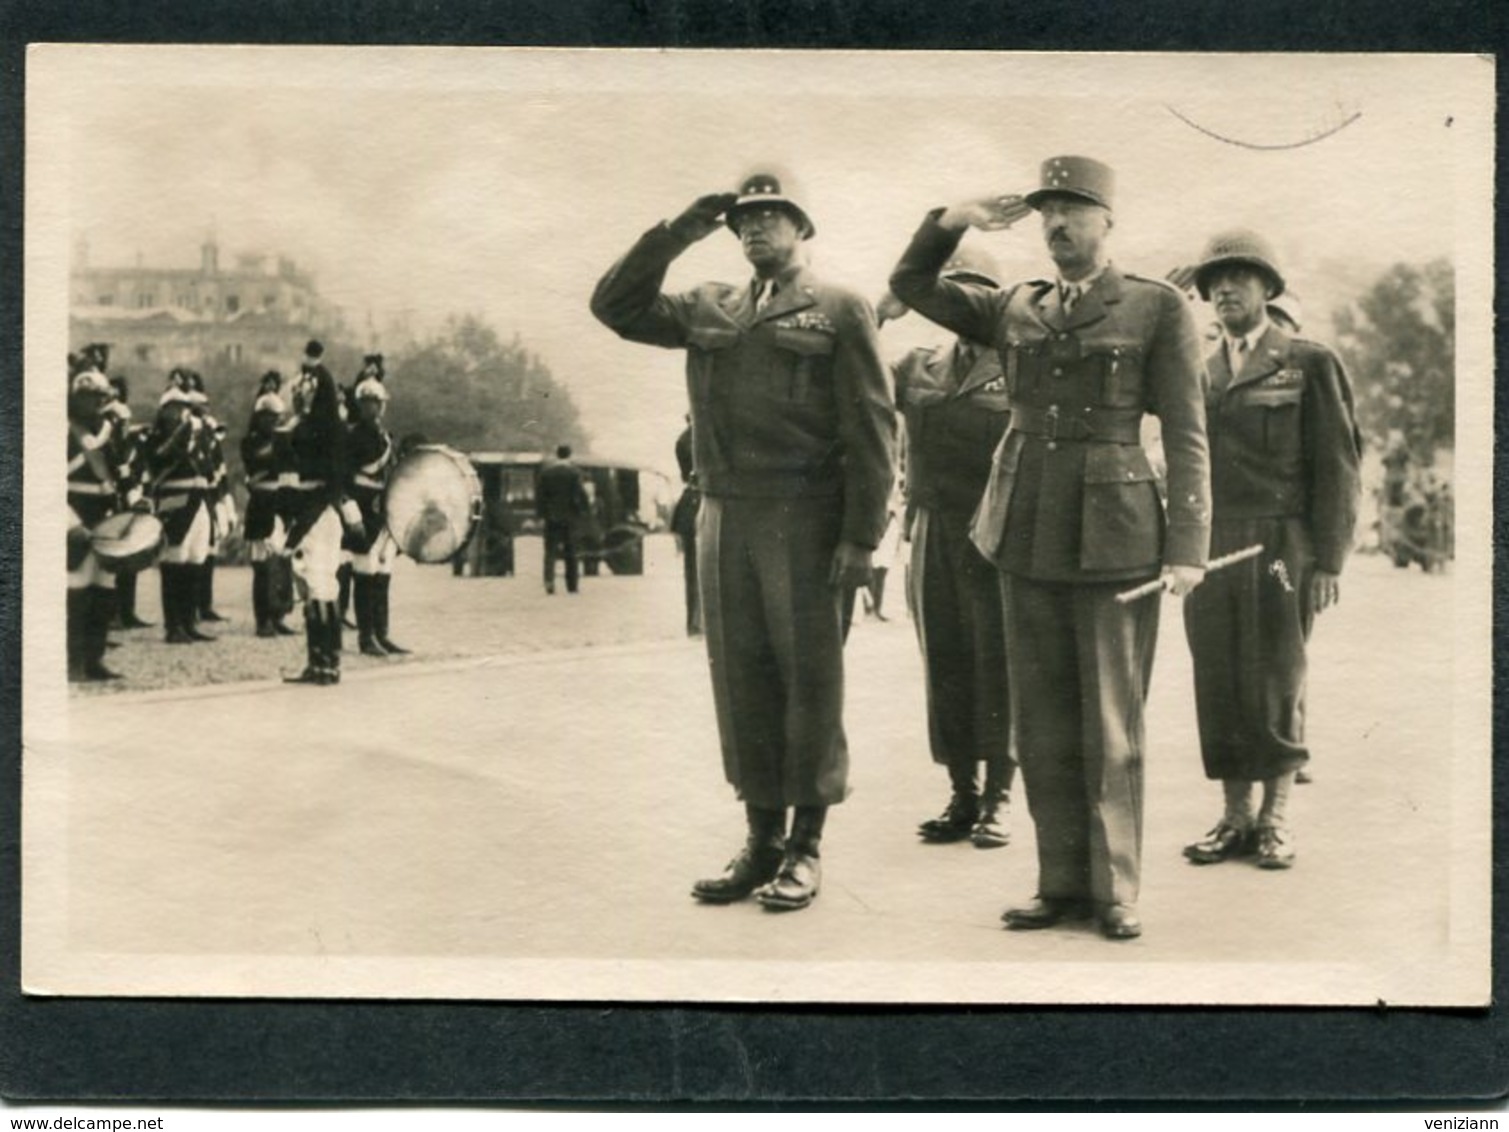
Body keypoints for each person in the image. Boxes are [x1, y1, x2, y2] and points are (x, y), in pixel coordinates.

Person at [889, 155, 1211, 940]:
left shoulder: (1154, 307)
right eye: (1046, 213)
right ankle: (1058, 882)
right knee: (1039, 720)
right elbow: (909, 287)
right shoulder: (1013, 307)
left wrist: (1187, 546)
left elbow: (1187, 430)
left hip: (1116, 534)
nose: (1057, 225)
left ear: (1107, 221)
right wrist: (952, 217)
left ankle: (1115, 890)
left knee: (1108, 723)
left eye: (1073, 209)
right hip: (1022, 527)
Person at [591, 166, 895, 912]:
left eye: (773, 216)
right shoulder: (709, 305)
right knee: (743, 683)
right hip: (723, 515)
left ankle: (806, 845)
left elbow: (874, 429)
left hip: (806, 517)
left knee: (808, 683)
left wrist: (860, 539)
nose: (755, 228)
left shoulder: (840, 307)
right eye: (744, 220)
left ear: (802, 228)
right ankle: (760, 840)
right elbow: (614, 306)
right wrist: (679, 231)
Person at [1180, 230, 1361, 870]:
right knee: (1220, 677)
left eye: (1239, 277)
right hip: (1212, 544)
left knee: (1278, 674)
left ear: (1268, 288)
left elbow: (1338, 466)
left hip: (1283, 545)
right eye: (1213, 282)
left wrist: (1329, 560)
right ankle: (1234, 818)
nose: (1224, 290)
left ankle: (1275, 819)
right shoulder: (1197, 371)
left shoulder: (1308, 361)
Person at [876, 243, 1017, 850]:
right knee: (946, 661)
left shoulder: (1021, 365)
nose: (959, 305)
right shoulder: (916, 364)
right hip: (933, 528)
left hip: (998, 532)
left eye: (975, 294)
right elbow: (855, 381)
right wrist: (880, 314)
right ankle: (961, 791)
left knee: (999, 661)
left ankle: (999, 798)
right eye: (950, 291)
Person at [283, 340, 350, 686]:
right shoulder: (335, 428)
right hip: (329, 512)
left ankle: (320, 663)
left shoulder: (310, 429)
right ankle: (328, 664)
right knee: (326, 584)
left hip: (314, 510)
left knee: (315, 584)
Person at [66, 361, 127, 681]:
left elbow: (118, 473)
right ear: (75, 398)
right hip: (74, 517)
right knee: (75, 592)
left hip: (105, 518)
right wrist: (70, 524)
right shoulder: (63, 431)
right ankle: (73, 661)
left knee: (104, 592)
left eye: (99, 397)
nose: (94, 403)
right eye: (88, 397)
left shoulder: (106, 432)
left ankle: (94, 658)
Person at [146, 369, 216, 644]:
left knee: (196, 560)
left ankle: (189, 621)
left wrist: (201, 434)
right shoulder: (156, 437)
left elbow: (208, 466)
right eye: (174, 408)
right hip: (175, 499)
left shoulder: (194, 434)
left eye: (184, 408)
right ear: (163, 411)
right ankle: (173, 625)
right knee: (174, 560)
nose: (180, 413)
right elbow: (160, 459)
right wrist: (184, 435)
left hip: (198, 499)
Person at [344, 374, 408, 656]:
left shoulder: (384, 435)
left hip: (381, 510)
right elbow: (344, 478)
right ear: (360, 405)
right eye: (369, 403)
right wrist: (351, 511)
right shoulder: (352, 436)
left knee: (383, 572)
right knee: (365, 571)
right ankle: (366, 636)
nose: (375, 408)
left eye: (378, 402)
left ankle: (382, 633)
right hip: (362, 507)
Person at [241, 372, 297, 638]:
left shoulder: (283, 441)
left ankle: (278, 615)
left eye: (276, 418)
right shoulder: (250, 441)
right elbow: (257, 461)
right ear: (260, 418)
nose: (272, 422)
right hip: (261, 503)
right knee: (262, 566)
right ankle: (262, 619)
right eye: (268, 418)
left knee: (280, 564)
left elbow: (290, 466)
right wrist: (280, 441)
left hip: (279, 502)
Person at [103, 370, 155, 631]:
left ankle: (128, 610)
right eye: (117, 422)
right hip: (113, 503)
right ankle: (112, 614)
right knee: (114, 560)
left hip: (131, 500)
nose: (122, 426)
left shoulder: (133, 445)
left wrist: (142, 492)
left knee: (132, 559)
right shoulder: (107, 446)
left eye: (124, 421)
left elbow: (143, 471)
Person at [536, 444, 589, 595]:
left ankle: (549, 582)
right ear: (569, 455)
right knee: (571, 552)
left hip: (551, 518)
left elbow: (540, 497)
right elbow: (579, 494)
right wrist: (584, 511)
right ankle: (572, 585)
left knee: (550, 552)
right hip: (570, 518)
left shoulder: (546, 472)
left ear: (556, 454)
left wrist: (541, 515)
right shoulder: (574, 472)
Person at [670, 416, 701, 635]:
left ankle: (694, 621)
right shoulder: (704, 437)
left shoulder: (682, 439)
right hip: (705, 503)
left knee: (691, 570)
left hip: (688, 506)